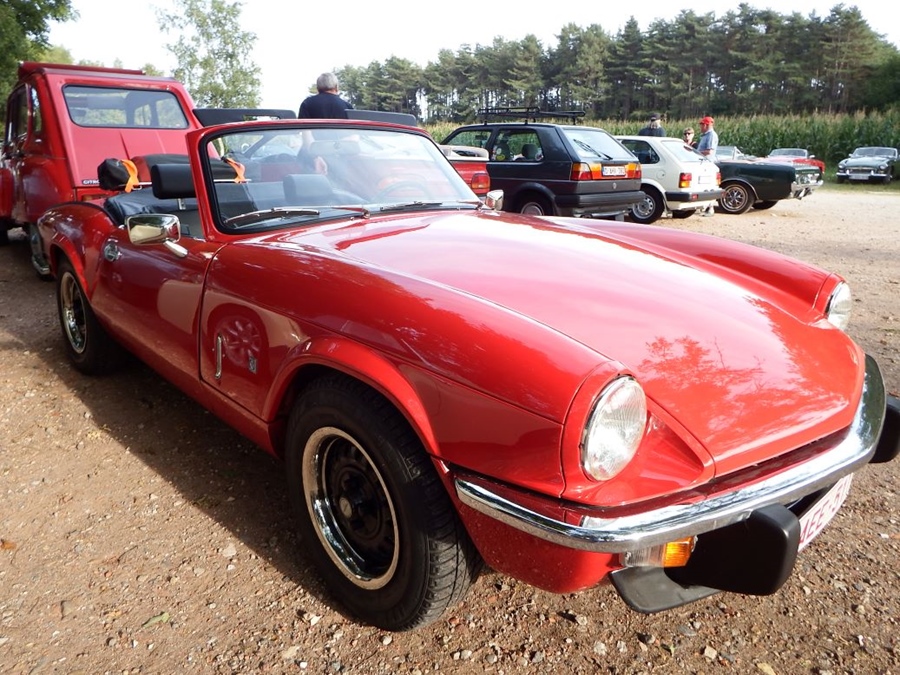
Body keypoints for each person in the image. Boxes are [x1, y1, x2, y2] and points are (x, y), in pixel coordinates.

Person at [695, 116, 719, 216]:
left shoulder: (711, 135)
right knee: (702, 186)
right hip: (703, 164)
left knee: (709, 186)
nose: (700, 127)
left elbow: (709, 151)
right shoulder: (705, 135)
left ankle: (710, 208)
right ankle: (702, 207)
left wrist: (695, 152)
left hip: (707, 164)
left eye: (702, 124)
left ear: (706, 125)